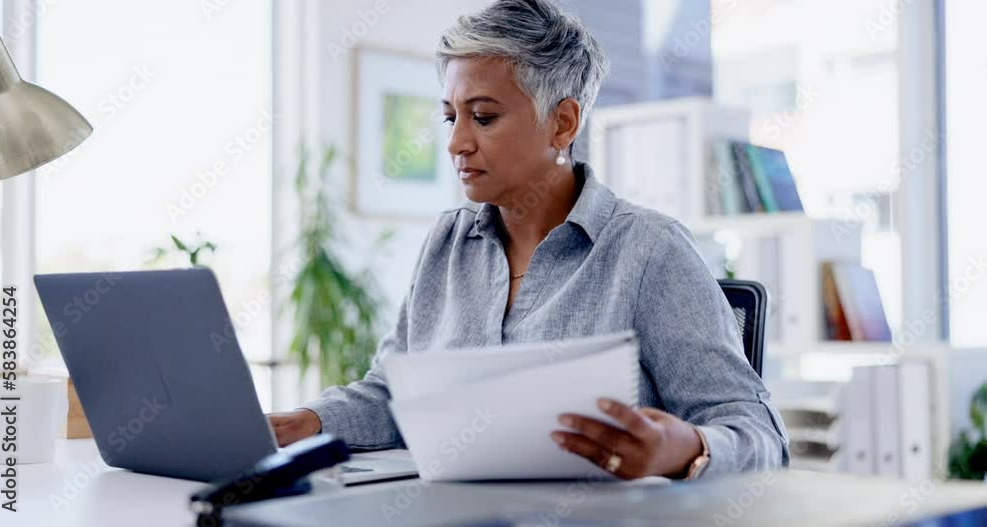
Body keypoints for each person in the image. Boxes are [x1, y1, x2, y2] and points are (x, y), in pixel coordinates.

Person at [269, 0, 788, 480]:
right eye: (450, 116)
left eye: (484, 116)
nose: (455, 142)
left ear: (562, 123)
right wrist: (304, 421)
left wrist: (684, 446)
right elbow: (392, 394)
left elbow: (759, 434)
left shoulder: (649, 250)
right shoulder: (446, 244)